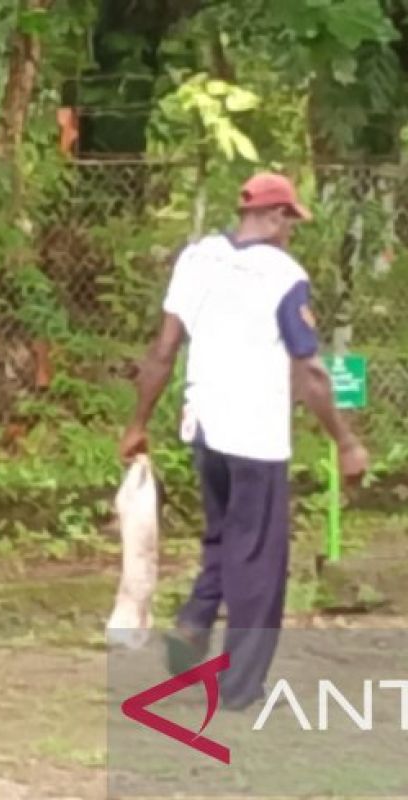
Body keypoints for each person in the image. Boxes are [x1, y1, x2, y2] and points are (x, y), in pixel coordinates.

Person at [119, 172, 369, 710]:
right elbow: (311, 372)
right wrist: (345, 441)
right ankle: (239, 687)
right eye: (290, 222)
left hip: (204, 426)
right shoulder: (283, 276)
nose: (291, 234)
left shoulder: (198, 258)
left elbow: (163, 350)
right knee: (259, 561)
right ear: (276, 217)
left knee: (224, 537)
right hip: (255, 435)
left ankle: (193, 621)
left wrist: (138, 422)